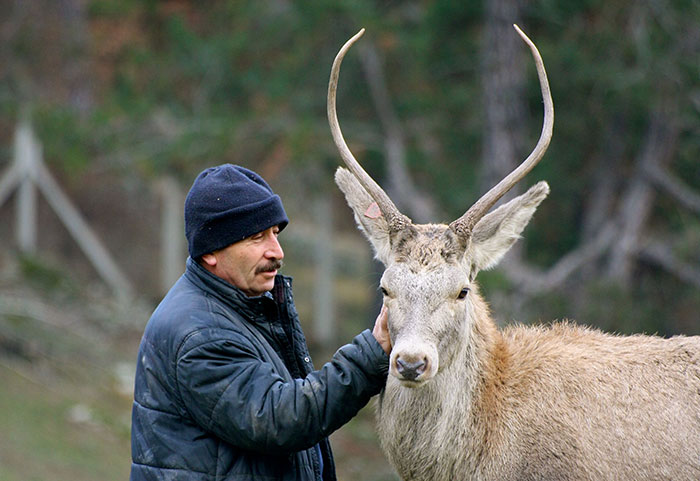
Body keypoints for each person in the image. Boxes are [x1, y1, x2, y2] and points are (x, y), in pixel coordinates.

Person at [130, 163, 391, 481]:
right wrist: (369, 357)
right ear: (211, 251)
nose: (277, 252)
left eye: (275, 234)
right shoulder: (199, 333)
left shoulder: (242, 306)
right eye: (257, 237)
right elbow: (278, 419)